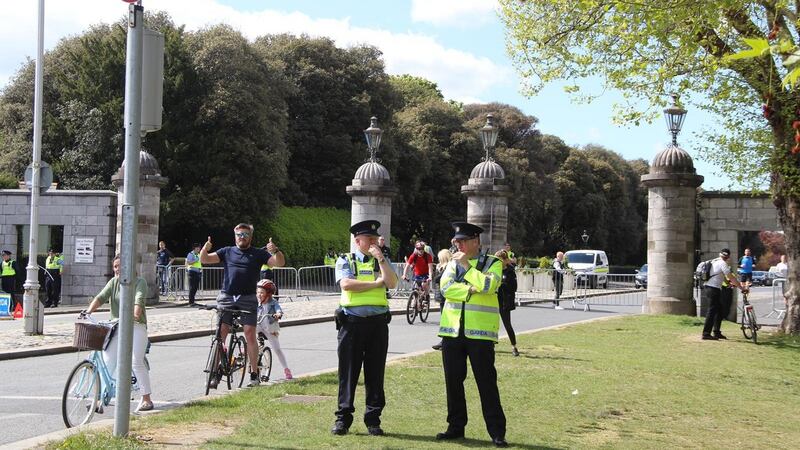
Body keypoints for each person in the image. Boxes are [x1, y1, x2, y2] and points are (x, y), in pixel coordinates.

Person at [436, 221, 508, 448]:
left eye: (462, 241)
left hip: (480, 335)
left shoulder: (493, 262)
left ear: (475, 241)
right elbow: (445, 289)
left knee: (486, 384)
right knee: (453, 383)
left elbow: (489, 286)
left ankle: (497, 432)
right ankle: (455, 427)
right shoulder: (452, 264)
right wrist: (471, 290)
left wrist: (467, 268)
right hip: (452, 332)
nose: (458, 245)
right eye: (456, 242)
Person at [332, 220, 398, 436]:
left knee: (375, 373)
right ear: (357, 240)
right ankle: (343, 419)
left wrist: (380, 258)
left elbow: (392, 283)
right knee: (348, 373)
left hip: (377, 324)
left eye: (374, 238)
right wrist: (375, 284)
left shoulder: (381, 261)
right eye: (368, 239)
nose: (373, 242)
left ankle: (373, 419)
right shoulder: (346, 260)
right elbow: (347, 284)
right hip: (352, 324)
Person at [200, 224, 285, 387]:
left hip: (247, 299)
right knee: (221, 334)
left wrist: (276, 250)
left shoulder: (258, 254)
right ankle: (215, 372)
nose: (242, 237)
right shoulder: (227, 251)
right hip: (226, 297)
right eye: (239, 234)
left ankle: (254, 375)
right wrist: (206, 248)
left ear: (250, 237)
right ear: (235, 236)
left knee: (249, 333)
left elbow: (279, 263)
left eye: (245, 234)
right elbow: (204, 259)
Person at [82, 254, 154, 412]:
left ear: (129, 266)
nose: (117, 269)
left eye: (120, 266)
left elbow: (139, 299)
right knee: (107, 362)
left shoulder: (139, 282)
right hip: (117, 326)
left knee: (136, 361)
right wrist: (87, 312)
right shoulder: (113, 282)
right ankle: (99, 400)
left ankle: (147, 398)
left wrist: (135, 313)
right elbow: (101, 297)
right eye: (115, 266)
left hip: (136, 326)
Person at [702, 248, 744, 340]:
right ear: (728, 257)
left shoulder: (714, 261)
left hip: (709, 287)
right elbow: (731, 277)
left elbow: (722, 276)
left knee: (719, 310)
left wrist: (728, 283)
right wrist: (741, 288)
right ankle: (706, 334)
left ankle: (716, 332)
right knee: (712, 310)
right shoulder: (723, 263)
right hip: (713, 289)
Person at [255, 279, 292, 380]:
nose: (259, 294)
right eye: (257, 292)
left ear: (269, 294)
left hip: (270, 328)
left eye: (262, 292)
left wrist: (278, 314)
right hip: (257, 326)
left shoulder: (273, 302)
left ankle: (286, 369)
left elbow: (278, 309)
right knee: (250, 341)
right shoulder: (256, 302)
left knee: (277, 349)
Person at [496, 250, 519, 357]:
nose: (498, 263)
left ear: (505, 260)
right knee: (492, 325)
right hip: (493, 301)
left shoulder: (510, 271)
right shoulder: (494, 270)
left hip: (504, 302)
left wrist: (501, 284)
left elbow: (513, 288)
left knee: (507, 325)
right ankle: (491, 344)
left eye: (500, 261)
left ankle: (514, 346)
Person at [431, 248, 452, 351]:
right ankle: (444, 341)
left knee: (446, 320)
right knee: (444, 320)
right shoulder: (441, 267)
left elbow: (438, 279)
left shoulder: (448, 267)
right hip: (441, 296)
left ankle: (445, 342)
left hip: (446, 296)